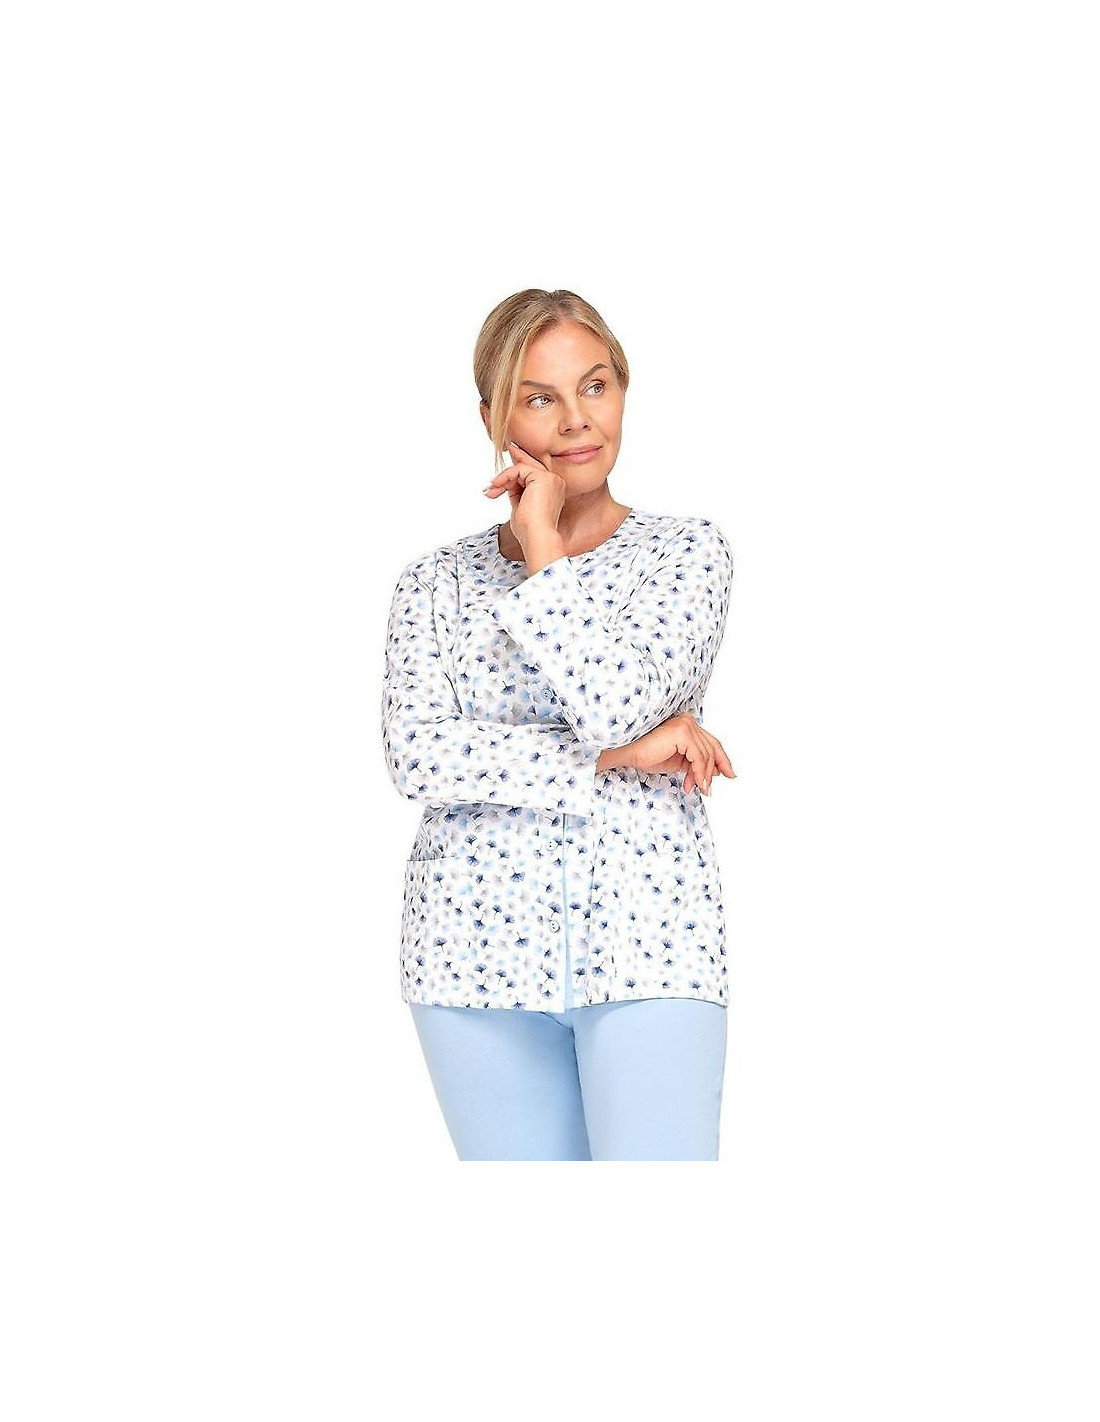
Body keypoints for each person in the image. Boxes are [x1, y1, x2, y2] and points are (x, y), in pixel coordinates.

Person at [381, 288, 737, 1160]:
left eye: (596, 386)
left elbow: (615, 701)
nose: (577, 420)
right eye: (540, 398)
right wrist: (615, 759)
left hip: (649, 940)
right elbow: (418, 755)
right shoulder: (434, 583)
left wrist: (542, 551)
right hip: (468, 952)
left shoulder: (686, 555)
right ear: (493, 419)